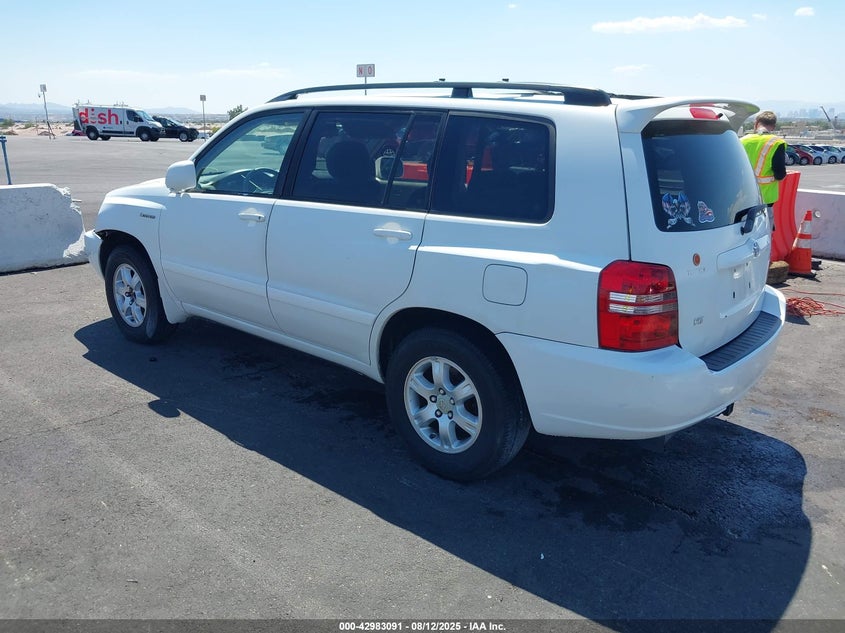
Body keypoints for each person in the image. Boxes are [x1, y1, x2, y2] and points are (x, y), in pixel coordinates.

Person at [741, 110, 787, 207]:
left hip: (743, 195)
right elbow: (780, 174)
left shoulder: (742, 140)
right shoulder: (776, 143)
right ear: (773, 126)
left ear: (756, 123)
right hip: (766, 197)